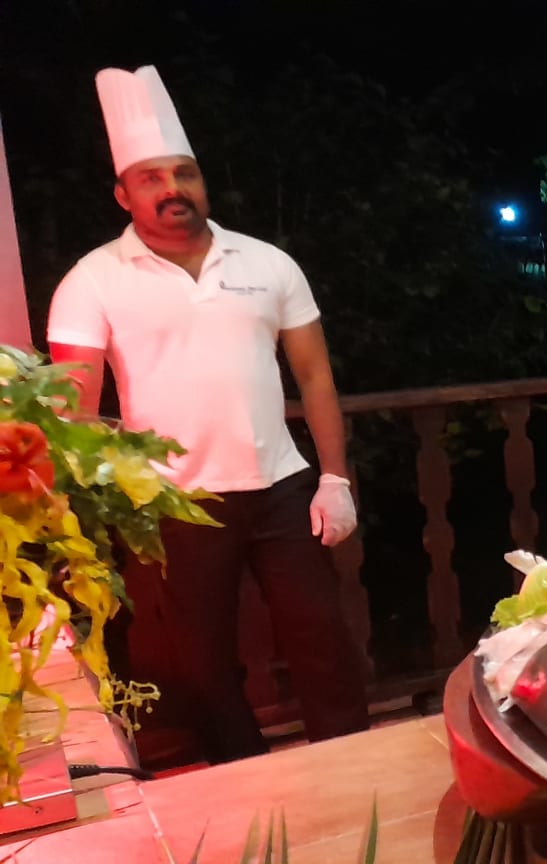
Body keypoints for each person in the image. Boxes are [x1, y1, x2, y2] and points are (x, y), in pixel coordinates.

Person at [45, 65, 369, 762]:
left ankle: (351, 763)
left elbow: (314, 376)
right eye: (152, 178)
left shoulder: (267, 263)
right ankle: (242, 779)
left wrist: (334, 478)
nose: (173, 189)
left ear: (201, 181)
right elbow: (74, 411)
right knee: (201, 660)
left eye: (184, 173)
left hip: (282, 487)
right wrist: (93, 514)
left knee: (323, 639)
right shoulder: (91, 280)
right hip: (172, 503)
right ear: (123, 194)